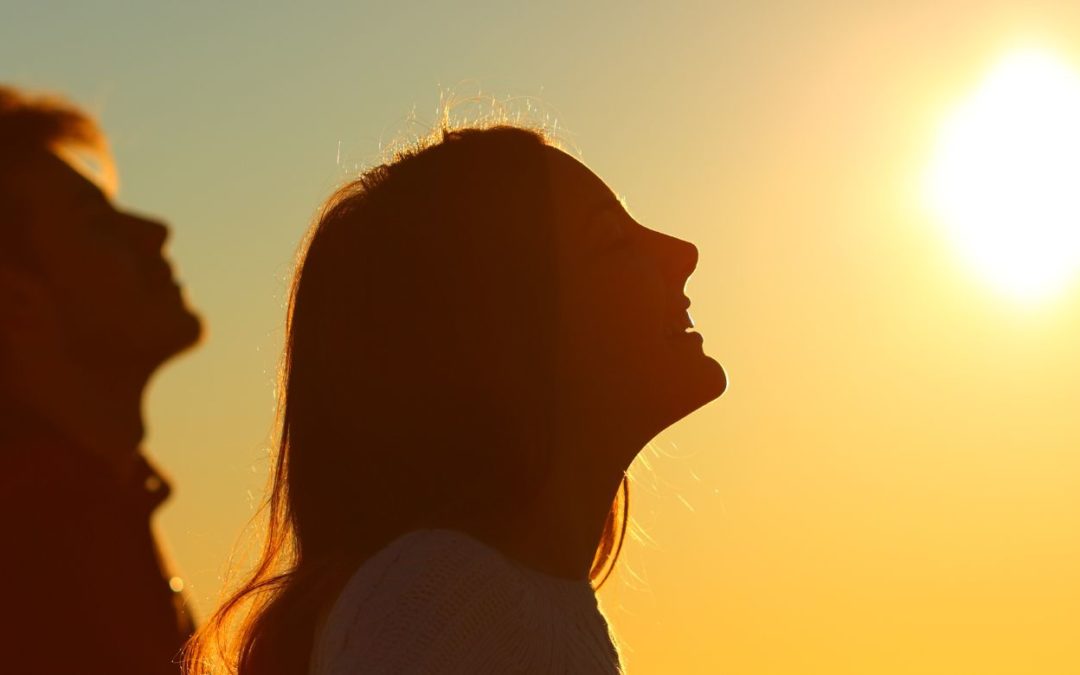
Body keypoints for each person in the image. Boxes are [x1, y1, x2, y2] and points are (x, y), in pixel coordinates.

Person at [186, 125, 727, 674]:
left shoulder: (500, 605)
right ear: (504, 334)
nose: (681, 253)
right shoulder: (444, 604)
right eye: (611, 241)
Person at [0, 86, 203, 674]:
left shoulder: (94, 507)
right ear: (16, 304)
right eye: (96, 225)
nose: (154, 230)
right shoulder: (37, 556)